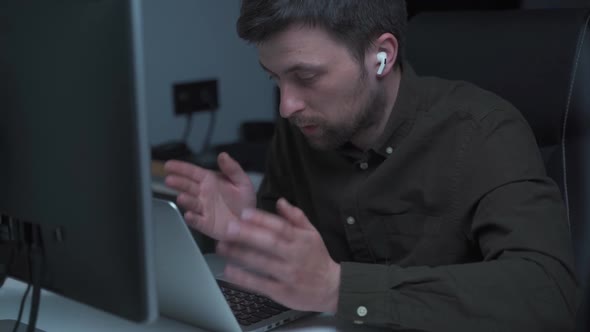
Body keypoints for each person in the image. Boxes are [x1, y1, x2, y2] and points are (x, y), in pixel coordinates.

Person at [164, 0, 580, 330]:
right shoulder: (302, 128)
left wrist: (340, 289)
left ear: (381, 57)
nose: (287, 105)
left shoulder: (485, 131)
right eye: (274, 78)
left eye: (305, 77)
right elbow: (297, 264)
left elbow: (548, 295)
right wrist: (248, 226)